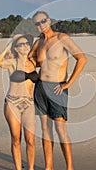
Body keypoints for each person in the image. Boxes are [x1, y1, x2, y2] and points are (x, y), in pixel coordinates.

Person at [28, 11, 87, 170]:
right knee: (45, 130)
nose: (41, 25)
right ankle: (49, 166)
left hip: (57, 87)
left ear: (49, 20)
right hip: (40, 88)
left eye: (43, 21)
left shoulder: (62, 38)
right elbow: (30, 60)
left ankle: (70, 167)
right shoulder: (38, 42)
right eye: (37, 23)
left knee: (60, 129)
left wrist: (68, 83)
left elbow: (82, 58)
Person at [0, 34, 39, 170]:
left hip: (29, 104)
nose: (25, 46)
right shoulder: (12, 62)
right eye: (21, 44)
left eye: (27, 43)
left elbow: (46, 57)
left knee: (30, 140)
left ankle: (30, 168)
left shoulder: (33, 62)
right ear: (16, 48)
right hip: (12, 103)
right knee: (16, 138)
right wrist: (9, 44)